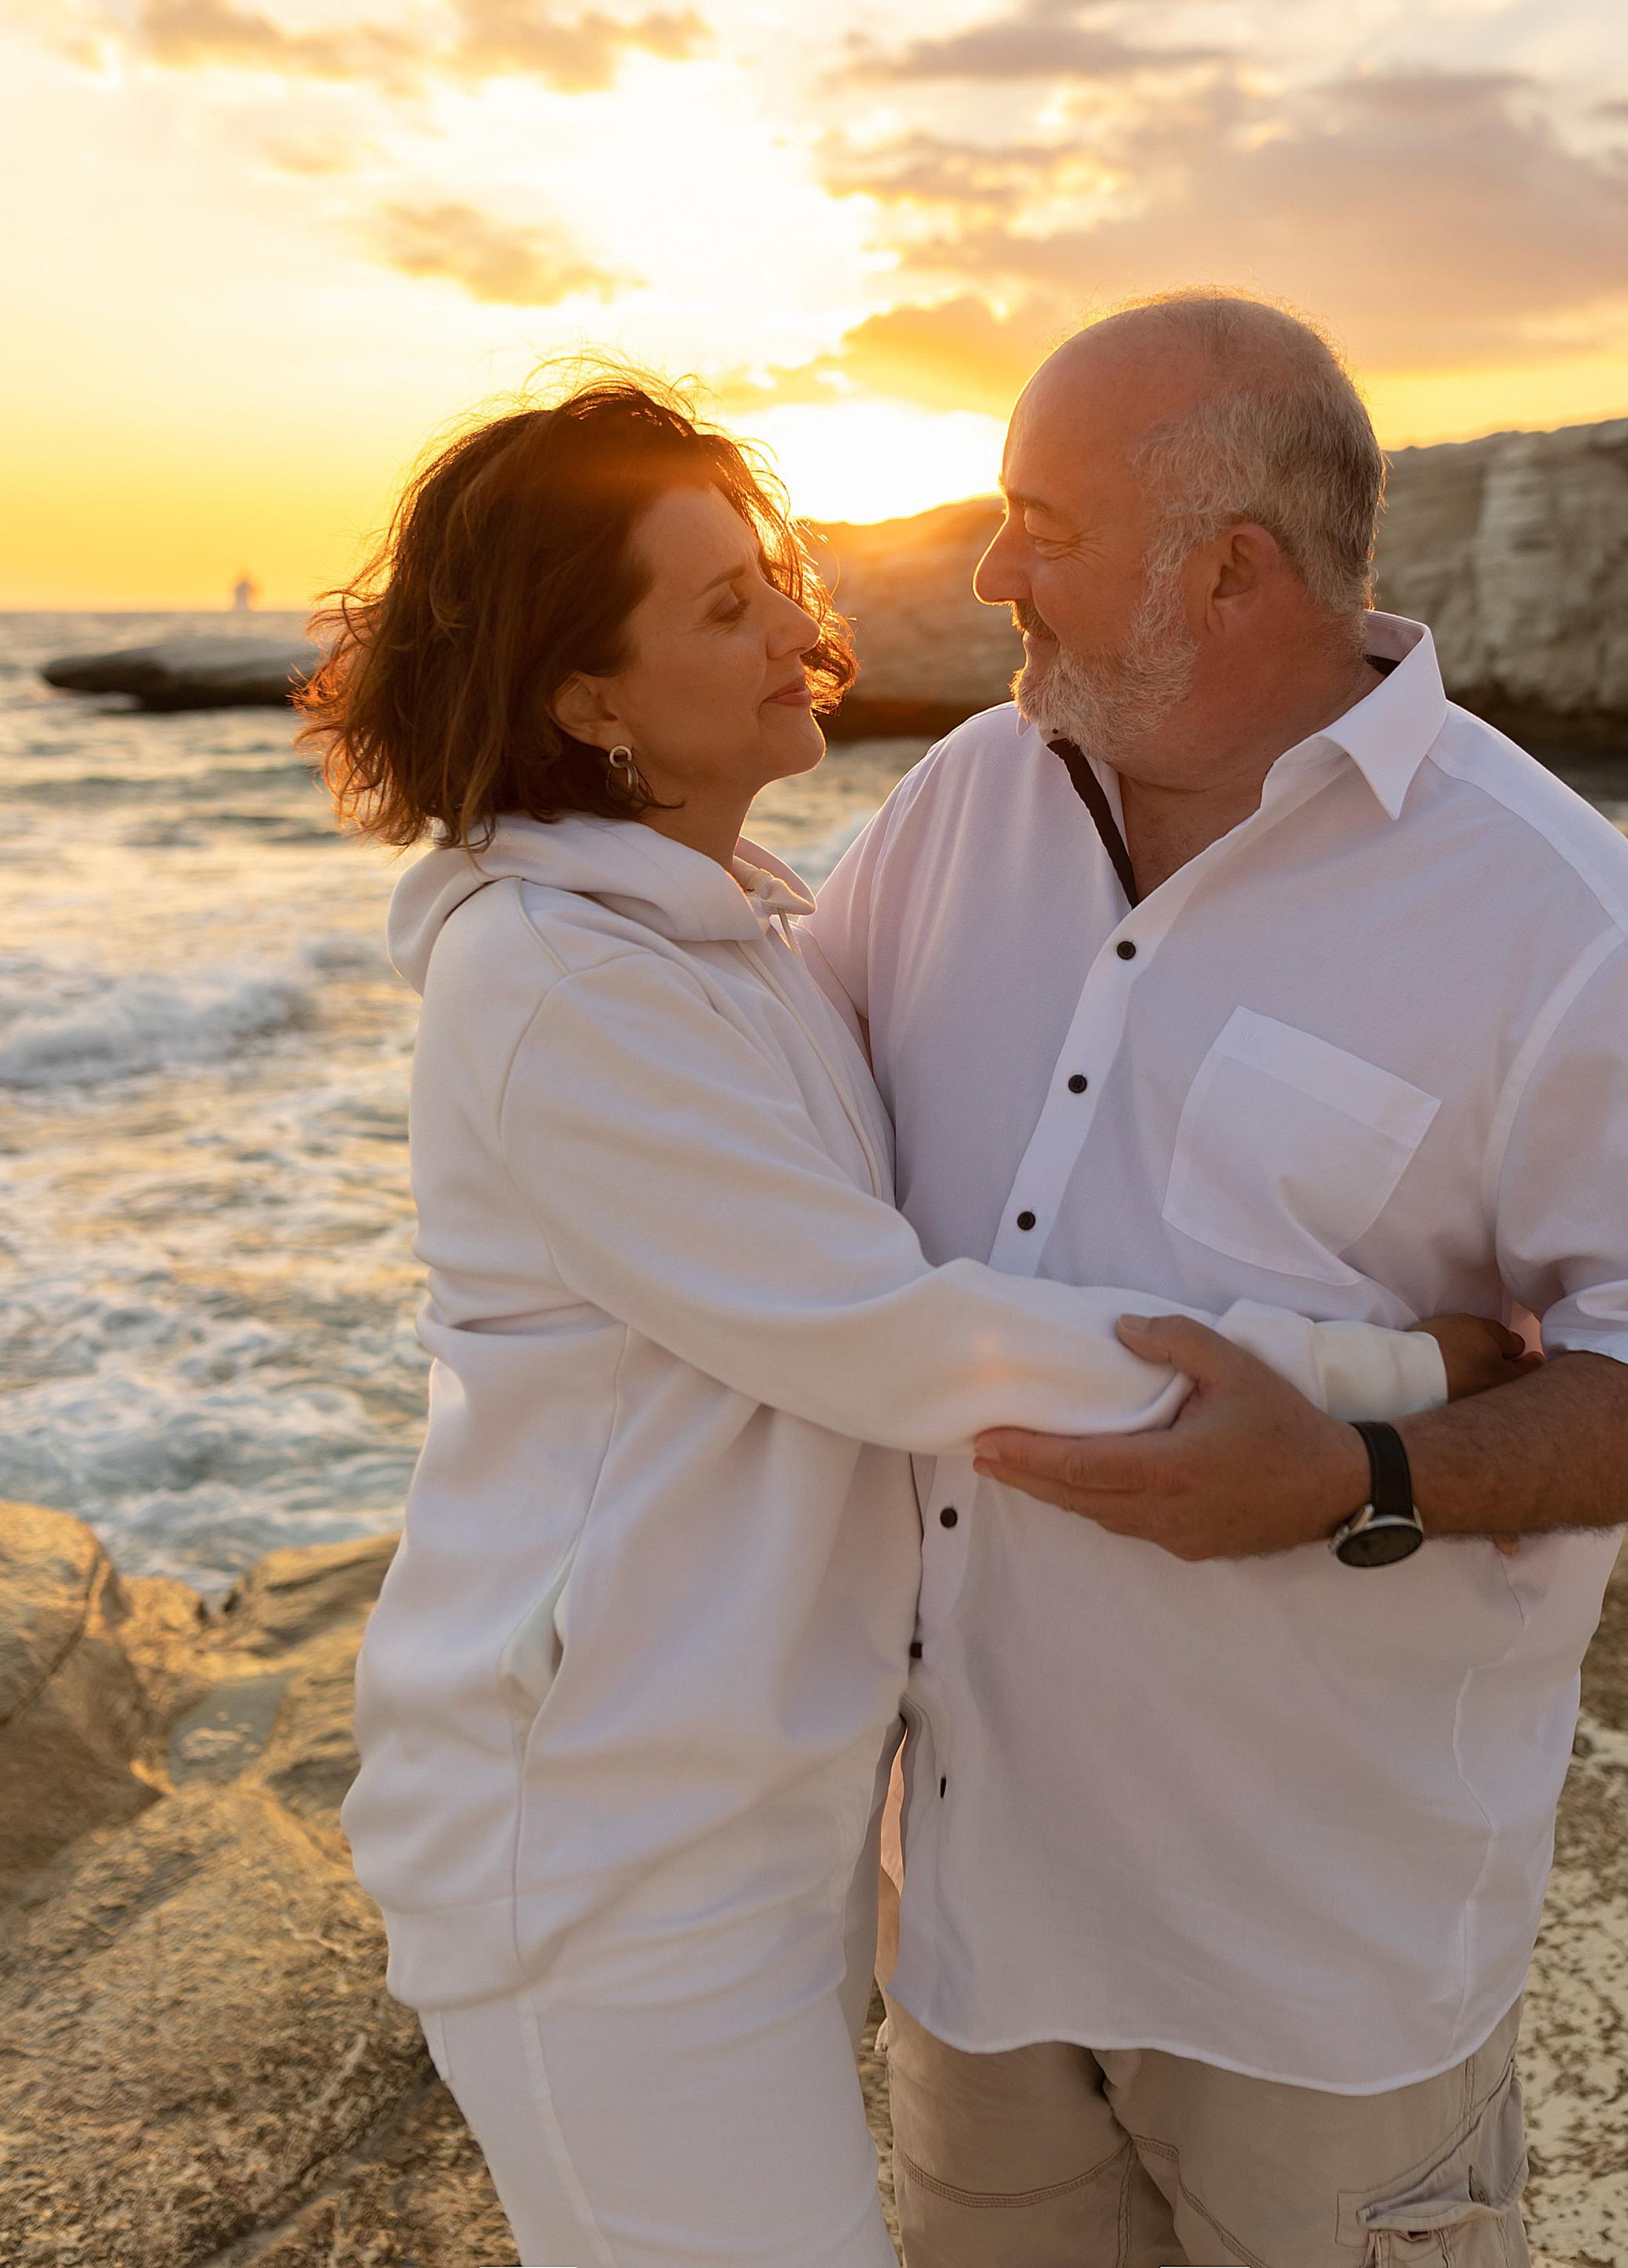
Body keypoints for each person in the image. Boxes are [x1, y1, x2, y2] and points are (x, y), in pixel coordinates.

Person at [302, 373, 1516, 2268]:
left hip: (746, 1820)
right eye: (723, 609)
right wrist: (1391, 1379)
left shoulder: (737, 935)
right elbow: (894, 1339)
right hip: (600, 1859)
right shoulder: (559, 985)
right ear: (586, 698)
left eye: (772, 575)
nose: (799, 628)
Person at [804, 292, 1628, 2268]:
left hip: (1317, 1961)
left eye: (1040, 527)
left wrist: (1362, 1472)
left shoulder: (1562, 925)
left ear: (1229, 572)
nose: (991, 574)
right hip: (973, 1928)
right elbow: (783, 1165)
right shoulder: (953, 807)